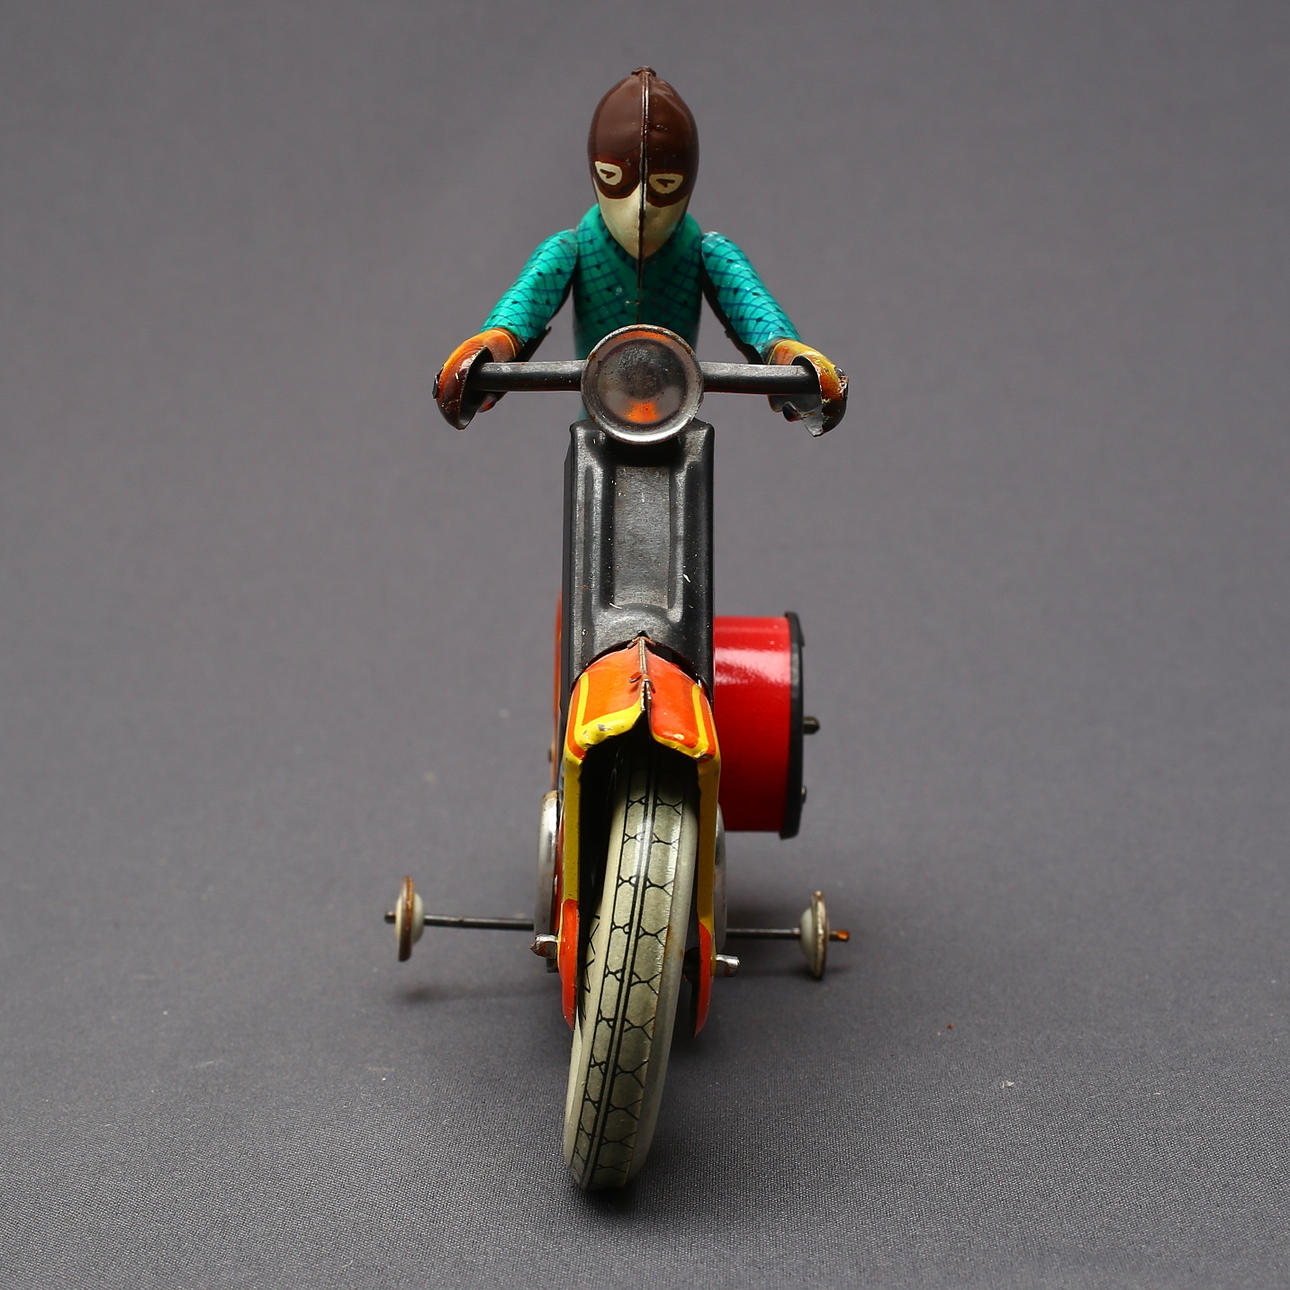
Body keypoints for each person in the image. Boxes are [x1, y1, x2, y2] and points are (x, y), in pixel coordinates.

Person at [434, 67, 846, 435]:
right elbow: (524, 307)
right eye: (614, 179)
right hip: (597, 411)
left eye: (665, 185)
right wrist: (490, 347)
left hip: (677, 412)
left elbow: (756, 314)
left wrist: (790, 357)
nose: (640, 208)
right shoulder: (570, 249)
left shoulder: (706, 253)